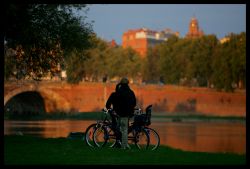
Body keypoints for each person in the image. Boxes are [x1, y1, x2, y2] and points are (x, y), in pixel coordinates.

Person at [105, 77, 136, 148]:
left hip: (117, 114)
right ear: (128, 84)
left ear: (120, 84)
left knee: (117, 129)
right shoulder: (131, 93)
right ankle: (124, 146)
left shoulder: (116, 93)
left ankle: (119, 143)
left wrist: (111, 110)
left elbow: (108, 104)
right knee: (125, 130)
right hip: (126, 115)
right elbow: (134, 103)